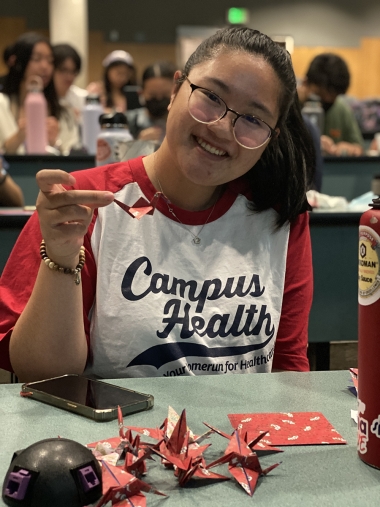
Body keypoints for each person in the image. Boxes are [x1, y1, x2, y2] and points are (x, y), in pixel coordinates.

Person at [0, 26, 315, 382]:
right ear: (176, 89)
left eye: (254, 120)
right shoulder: (84, 201)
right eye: (211, 97)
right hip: (115, 435)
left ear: (271, 136)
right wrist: (60, 256)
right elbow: (41, 373)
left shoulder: (278, 213)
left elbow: (288, 368)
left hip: (241, 436)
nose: (224, 128)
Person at [0, 32, 79, 155]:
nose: (45, 66)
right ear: (19, 62)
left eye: (50, 61)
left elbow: (74, 155)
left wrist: (56, 143)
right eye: (37, 59)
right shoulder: (2, 105)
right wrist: (18, 137)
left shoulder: (63, 110)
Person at [299, 53, 364, 156]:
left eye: (332, 99)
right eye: (319, 96)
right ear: (305, 83)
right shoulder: (288, 106)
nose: (325, 102)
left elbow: (358, 147)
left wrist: (349, 148)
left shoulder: (342, 110)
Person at [127, 61, 176, 144]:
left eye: (165, 94)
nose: (159, 98)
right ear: (141, 93)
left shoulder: (182, 122)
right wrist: (138, 144)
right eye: (153, 95)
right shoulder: (129, 122)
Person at [52, 43, 88, 121]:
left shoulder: (83, 98)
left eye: (73, 71)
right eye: (63, 70)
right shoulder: (41, 100)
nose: (69, 77)